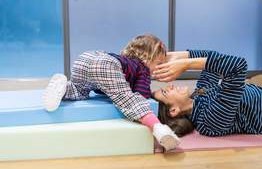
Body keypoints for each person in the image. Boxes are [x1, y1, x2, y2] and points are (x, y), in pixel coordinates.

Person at [42, 34, 180, 151]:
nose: (158, 68)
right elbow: (141, 95)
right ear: (148, 58)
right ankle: (159, 129)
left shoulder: (125, 61)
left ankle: (64, 88)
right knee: (129, 100)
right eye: (158, 63)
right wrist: (149, 93)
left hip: (85, 59)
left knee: (80, 90)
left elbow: (106, 87)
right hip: (105, 64)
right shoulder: (142, 69)